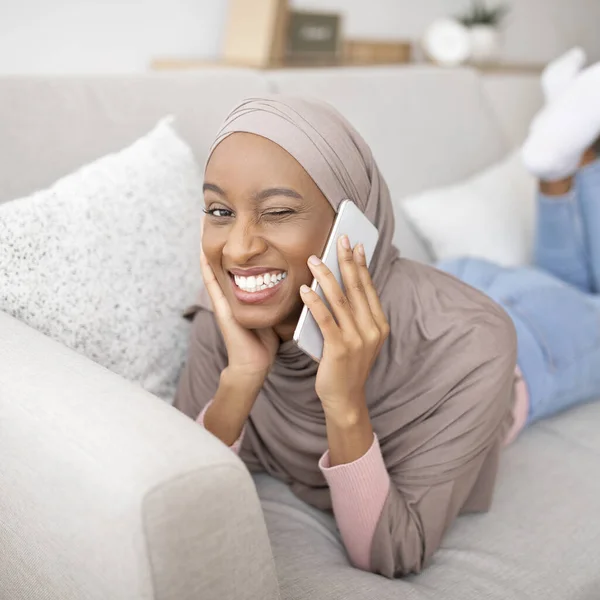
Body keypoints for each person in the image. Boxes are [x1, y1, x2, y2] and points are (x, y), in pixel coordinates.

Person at [173, 49, 600, 579]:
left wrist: (345, 403)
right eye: (220, 211)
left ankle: (564, 168)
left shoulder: (476, 343)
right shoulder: (233, 313)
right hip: (431, 284)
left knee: (584, 292)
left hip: (526, 339)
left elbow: (393, 553)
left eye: (278, 212)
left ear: (355, 222)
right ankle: (563, 166)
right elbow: (181, 495)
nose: (236, 251)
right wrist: (239, 380)